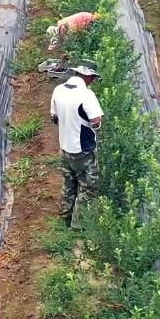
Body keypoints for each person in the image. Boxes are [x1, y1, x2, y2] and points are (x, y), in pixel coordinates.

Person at [50, 65, 104, 230]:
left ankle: (65, 217)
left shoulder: (58, 90)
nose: (93, 81)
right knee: (88, 187)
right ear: (86, 76)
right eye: (93, 78)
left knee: (69, 183)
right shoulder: (86, 95)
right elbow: (96, 121)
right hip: (83, 150)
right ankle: (78, 226)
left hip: (65, 148)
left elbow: (54, 118)